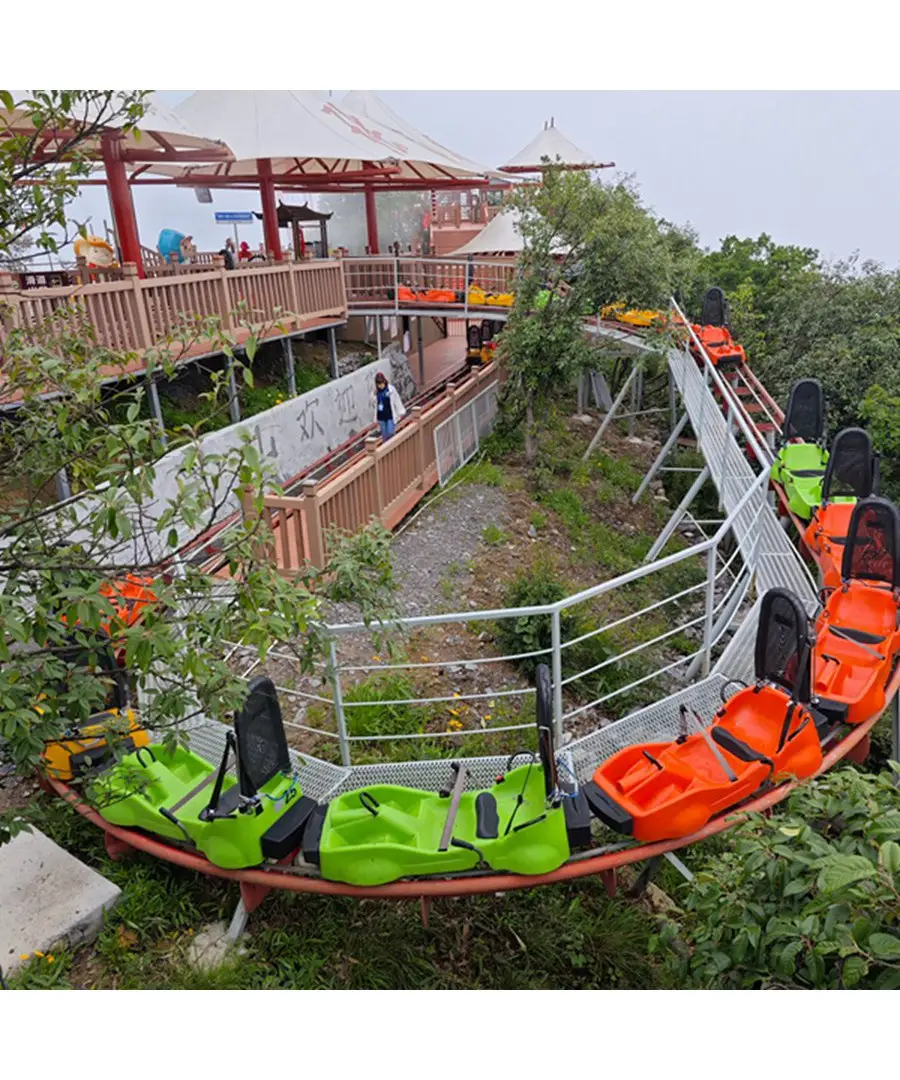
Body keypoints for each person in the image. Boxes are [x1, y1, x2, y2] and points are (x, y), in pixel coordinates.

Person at [371, 371, 406, 442]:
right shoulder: (375, 392)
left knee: (390, 432)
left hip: (390, 415)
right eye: (378, 384)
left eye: (381, 383)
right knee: (385, 436)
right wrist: (374, 396)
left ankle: (392, 445)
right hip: (381, 416)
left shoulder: (390, 389)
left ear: (384, 381)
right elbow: (373, 403)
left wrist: (401, 411)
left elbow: (396, 399)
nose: (380, 386)